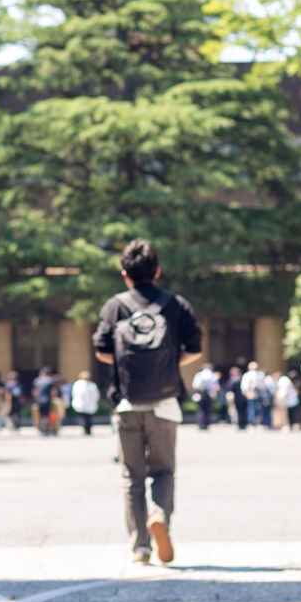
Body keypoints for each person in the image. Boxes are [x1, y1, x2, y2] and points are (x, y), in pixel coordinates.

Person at [94, 240, 203, 565]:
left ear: (125, 274)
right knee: (164, 471)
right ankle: (160, 516)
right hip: (165, 403)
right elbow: (195, 348)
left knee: (133, 478)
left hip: (127, 404)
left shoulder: (114, 306)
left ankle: (140, 547)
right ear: (157, 271)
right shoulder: (176, 304)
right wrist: (167, 365)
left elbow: (102, 351)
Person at [241, 362, 272, 431]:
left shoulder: (259, 374)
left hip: (259, 395)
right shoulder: (248, 375)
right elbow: (245, 385)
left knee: (259, 410)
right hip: (252, 394)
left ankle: (260, 423)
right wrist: (247, 392)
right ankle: (252, 423)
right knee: (252, 409)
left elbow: (263, 385)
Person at [190, 363, 220, 432]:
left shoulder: (199, 375)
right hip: (209, 393)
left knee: (200, 409)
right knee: (208, 409)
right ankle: (207, 424)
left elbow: (195, 385)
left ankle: (201, 424)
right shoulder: (212, 375)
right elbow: (215, 386)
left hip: (201, 392)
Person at [69, 370, 100, 435]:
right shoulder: (92, 385)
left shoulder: (78, 384)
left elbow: (74, 394)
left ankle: (86, 429)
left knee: (83, 417)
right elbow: (96, 395)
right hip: (88, 405)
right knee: (88, 418)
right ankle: (88, 429)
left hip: (82, 404)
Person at [32, 367, 57, 437]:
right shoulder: (50, 380)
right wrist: (53, 399)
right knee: (46, 416)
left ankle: (40, 429)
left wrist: (35, 399)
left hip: (39, 400)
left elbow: (34, 392)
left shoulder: (37, 380)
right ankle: (45, 430)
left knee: (39, 415)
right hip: (47, 400)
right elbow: (53, 391)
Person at [225, 365, 248, 430]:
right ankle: (243, 424)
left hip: (237, 398)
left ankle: (240, 424)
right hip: (243, 397)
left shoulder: (232, 381)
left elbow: (229, 389)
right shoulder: (243, 379)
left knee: (238, 411)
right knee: (243, 411)